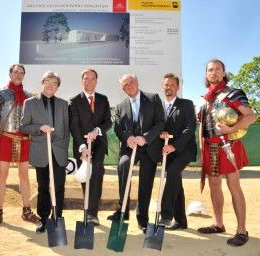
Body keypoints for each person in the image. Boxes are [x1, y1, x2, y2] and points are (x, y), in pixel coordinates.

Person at [196, 59, 256, 246]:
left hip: (228, 146)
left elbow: (250, 116)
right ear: (206, 74)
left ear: (223, 73)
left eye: (217, 69)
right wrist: (200, 150)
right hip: (210, 149)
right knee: (214, 186)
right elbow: (202, 126)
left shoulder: (233, 93)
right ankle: (218, 224)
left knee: (233, 186)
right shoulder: (203, 99)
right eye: (210, 70)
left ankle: (241, 230)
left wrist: (232, 130)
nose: (213, 73)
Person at [107, 74, 166, 234]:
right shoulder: (120, 106)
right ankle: (123, 210)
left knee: (145, 182)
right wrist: (128, 138)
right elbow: (118, 128)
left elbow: (161, 122)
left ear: (137, 82)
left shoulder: (153, 99)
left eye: (131, 83)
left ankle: (142, 218)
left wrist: (145, 138)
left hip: (149, 147)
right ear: (122, 88)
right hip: (130, 148)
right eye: (125, 85)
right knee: (123, 165)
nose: (129, 86)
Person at [0, 64, 40, 228]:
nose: (18, 74)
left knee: (24, 176)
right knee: (2, 177)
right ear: (10, 74)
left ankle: (26, 211)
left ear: (24, 75)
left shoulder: (29, 96)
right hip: (6, 138)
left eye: (21, 72)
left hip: (24, 139)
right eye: (15, 72)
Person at [20, 71, 70, 233]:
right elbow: (24, 127)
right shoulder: (30, 103)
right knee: (43, 187)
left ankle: (57, 217)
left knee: (59, 187)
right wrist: (39, 128)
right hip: (41, 152)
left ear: (57, 87)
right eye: (47, 82)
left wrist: (63, 146)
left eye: (54, 83)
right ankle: (43, 218)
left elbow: (67, 129)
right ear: (42, 83)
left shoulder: (63, 104)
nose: (50, 85)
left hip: (59, 152)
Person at [68, 68, 112, 226]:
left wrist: (97, 130)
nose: (90, 81)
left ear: (96, 81)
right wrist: (82, 146)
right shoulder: (73, 101)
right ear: (82, 81)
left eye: (93, 78)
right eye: (86, 78)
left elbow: (108, 122)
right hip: (82, 145)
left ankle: (93, 213)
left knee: (97, 172)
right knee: (86, 176)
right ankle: (88, 210)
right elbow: (74, 126)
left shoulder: (103, 99)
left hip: (100, 143)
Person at [157, 73, 197, 230]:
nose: (169, 88)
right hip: (167, 151)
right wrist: (161, 134)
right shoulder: (158, 107)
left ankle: (166, 216)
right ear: (162, 87)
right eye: (166, 85)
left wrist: (175, 146)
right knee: (176, 183)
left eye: (172, 85)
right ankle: (181, 221)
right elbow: (158, 127)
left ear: (177, 87)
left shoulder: (186, 104)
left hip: (184, 149)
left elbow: (190, 128)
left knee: (172, 174)